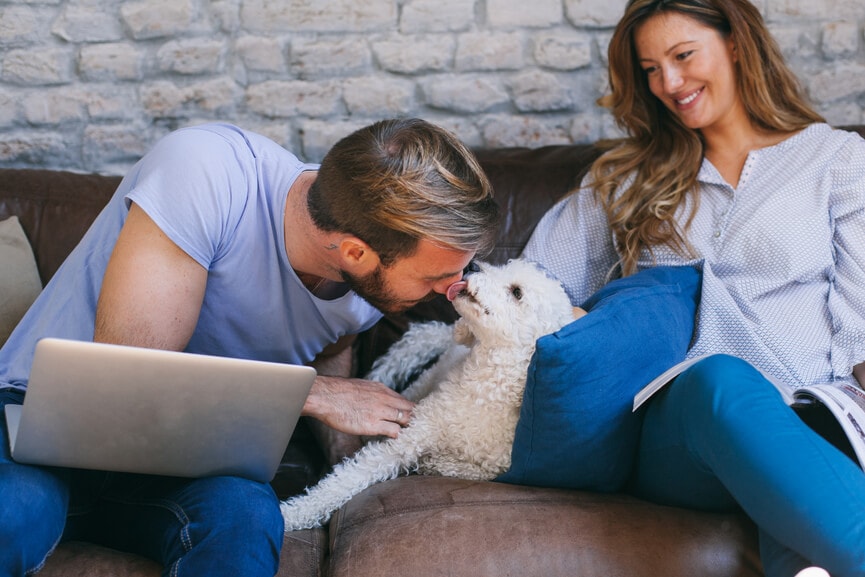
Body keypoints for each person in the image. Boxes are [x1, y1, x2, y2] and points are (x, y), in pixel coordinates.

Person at [0, 118, 498, 576]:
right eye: (439, 275)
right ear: (354, 252)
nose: (455, 289)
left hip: (183, 453)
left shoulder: (369, 287)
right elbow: (129, 385)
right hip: (41, 418)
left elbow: (328, 348)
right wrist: (317, 394)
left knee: (243, 515)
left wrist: (353, 464)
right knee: (14, 513)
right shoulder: (206, 172)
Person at [522, 1, 865, 575]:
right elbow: (530, 290)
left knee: (807, 535)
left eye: (683, 56)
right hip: (681, 429)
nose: (670, 83)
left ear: (736, 43)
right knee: (721, 378)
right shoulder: (625, 179)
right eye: (652, 69)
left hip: (814, 411)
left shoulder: (836, 160)